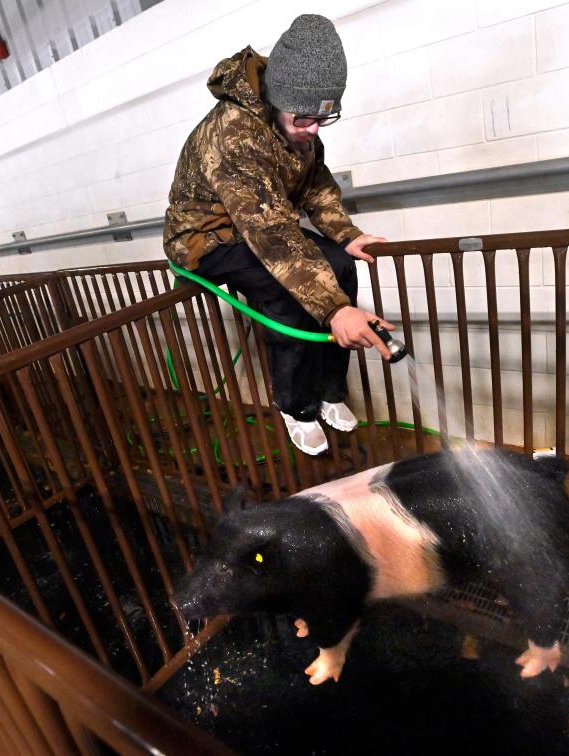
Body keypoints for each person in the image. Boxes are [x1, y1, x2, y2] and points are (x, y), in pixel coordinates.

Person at [163, 13, 395, 456]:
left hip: (260, 222)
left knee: (341, 265)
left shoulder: (298, 122)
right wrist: (334, 310)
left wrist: (344, 235)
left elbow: (317, 184)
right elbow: (270, 235)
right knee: (287, 292)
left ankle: (330, 391)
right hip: (207, 237)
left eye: (323, 120)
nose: (312, 131)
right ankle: (297, 407)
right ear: (281, 95)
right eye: (305, 118)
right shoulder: (235, 133)